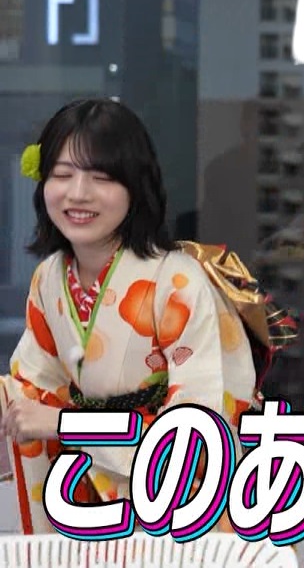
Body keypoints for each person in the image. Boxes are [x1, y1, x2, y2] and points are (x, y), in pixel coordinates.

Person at [4, 98, 259, 534]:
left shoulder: (178, 281)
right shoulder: (50, 278)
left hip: (182, 506)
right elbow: (32, 387)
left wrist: (67, 426)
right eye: (62, 175)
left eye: (101, 177)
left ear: (136, 188)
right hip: (93, 496)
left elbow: (200, 429)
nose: (78, 193)